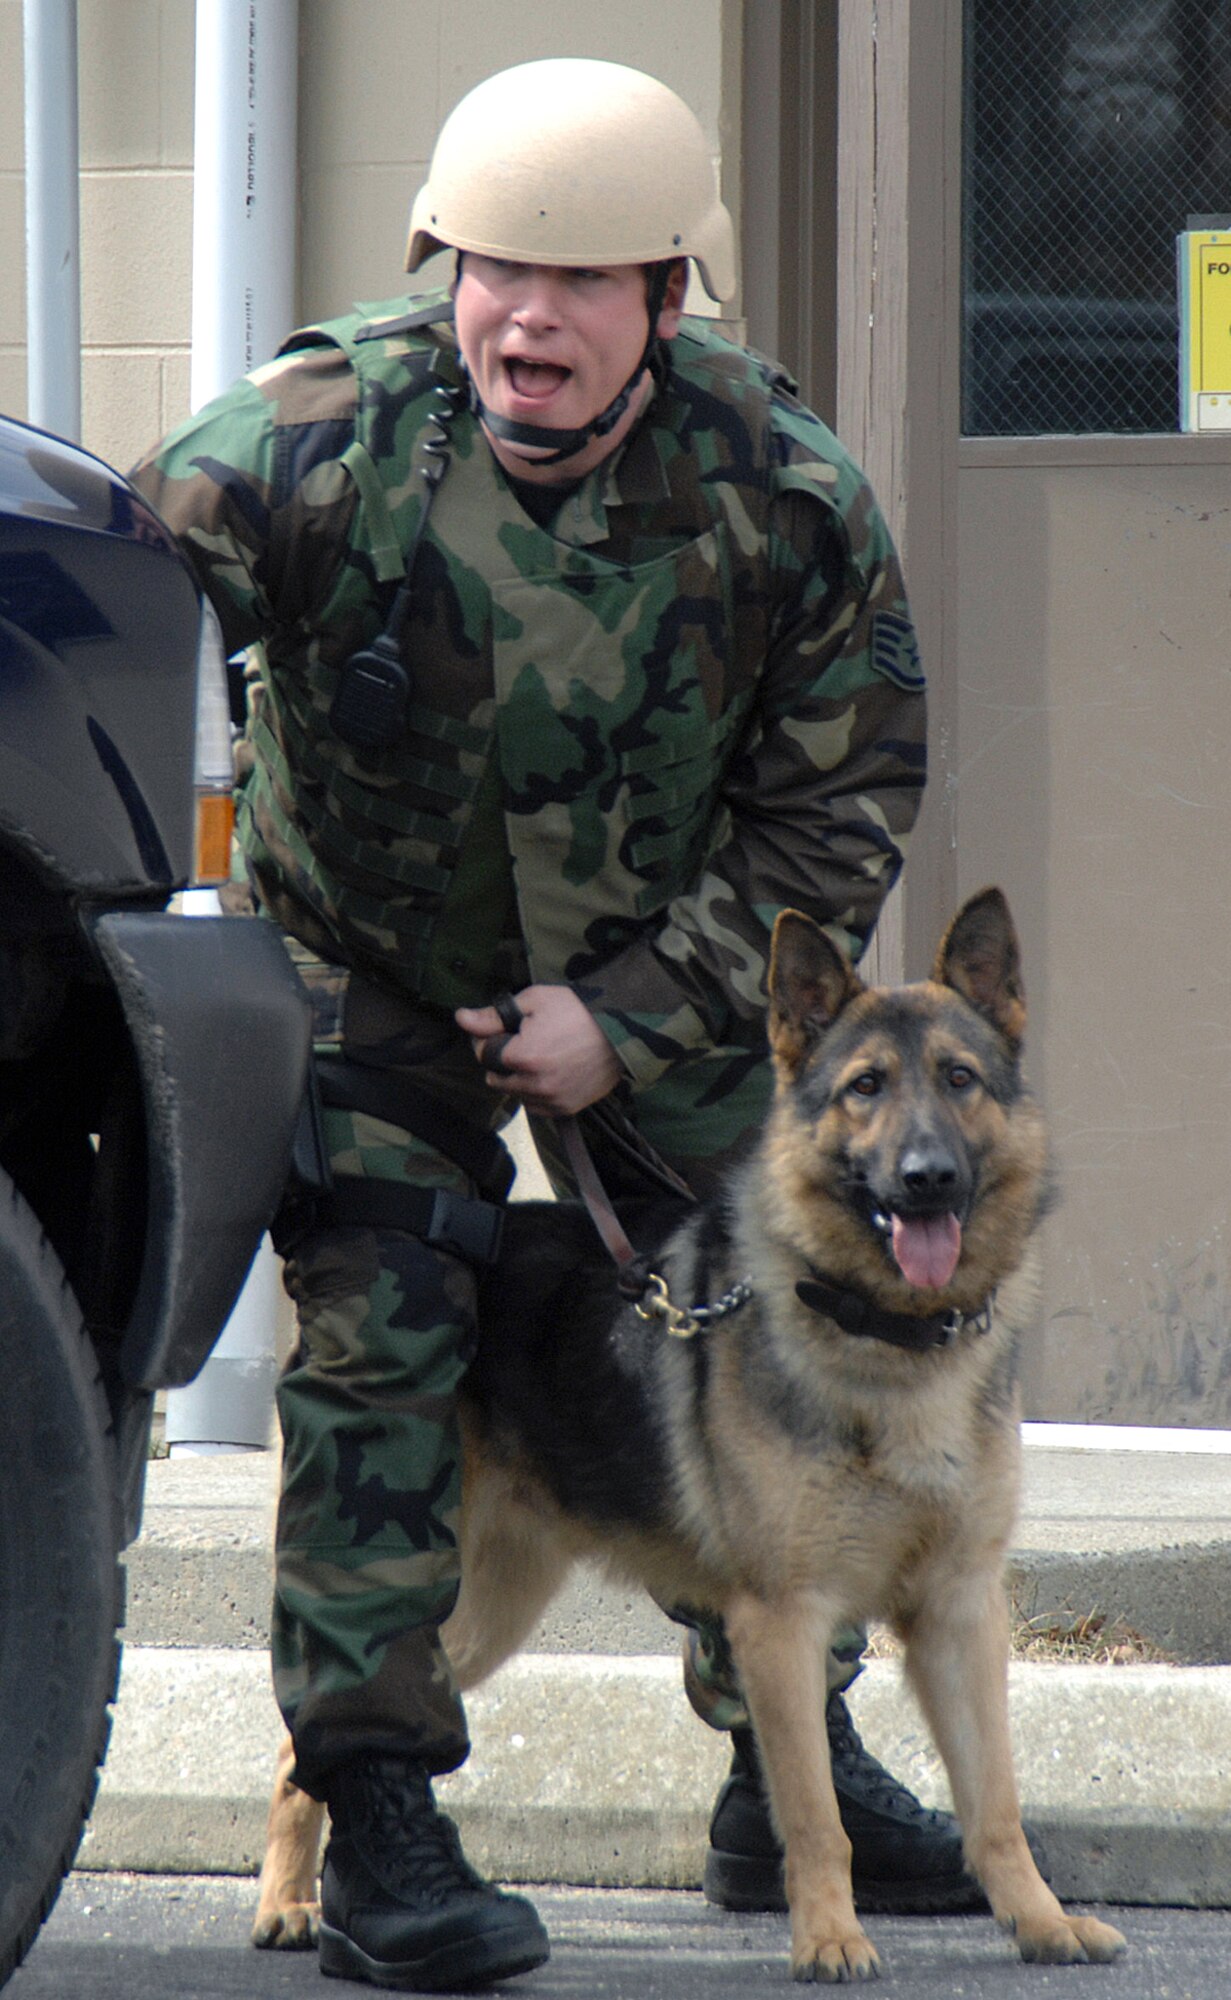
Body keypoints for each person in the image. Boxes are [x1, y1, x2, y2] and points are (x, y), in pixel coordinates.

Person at [132, 55, 971, 1994]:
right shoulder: (311, 430)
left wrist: (638, 1009)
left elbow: (844, 790)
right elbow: (114, 582)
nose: (525, 314)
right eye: (493, 269)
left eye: (582, 279)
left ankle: (787, 1770)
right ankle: (373, 1811)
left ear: (670, 298)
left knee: (776, 1329)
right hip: (374, 978)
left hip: (655, 970)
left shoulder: (781, 486)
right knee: (378, 1339)